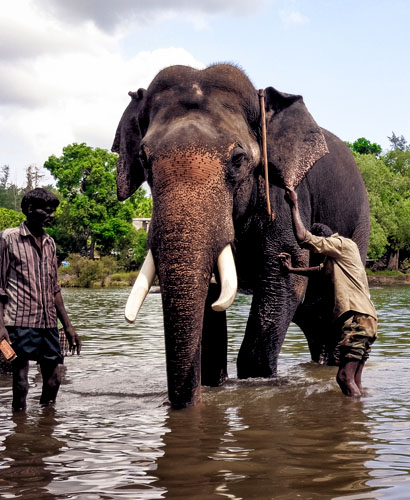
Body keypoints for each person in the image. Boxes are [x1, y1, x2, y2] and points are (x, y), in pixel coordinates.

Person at [279, 189, 377, 397]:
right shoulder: (340, 260)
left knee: (343, 378)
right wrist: (291, 270)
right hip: (367, 320)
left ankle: (349, 423)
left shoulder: (342, 244)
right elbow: (317, 270)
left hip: (356, 320)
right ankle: (358, 422)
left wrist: (294, 205)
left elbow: (303, 238)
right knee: (355, 379)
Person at [0, 188, 81, 411]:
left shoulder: (50, 243)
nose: (52, 215)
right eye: (47, 210)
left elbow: (55, 289)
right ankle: (19, 428)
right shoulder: (9, 239)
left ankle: (47, 424)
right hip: (18, 323)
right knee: (21, 382)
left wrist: (68, 327)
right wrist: (0, 327)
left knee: (54, 379)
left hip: (48, 325)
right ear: (28, 209)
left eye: (53, 211)